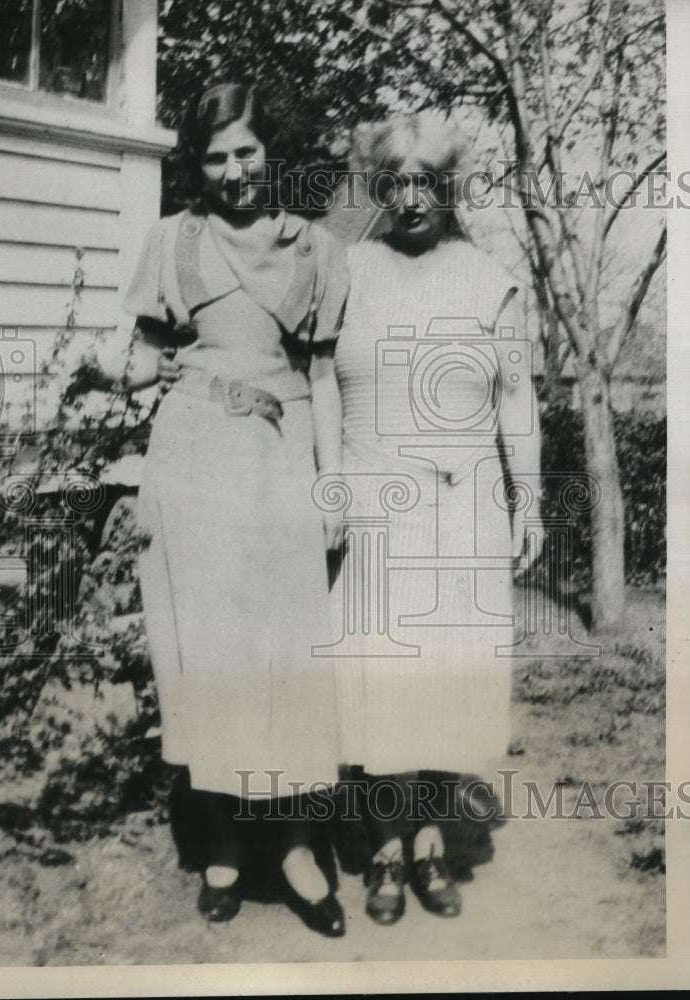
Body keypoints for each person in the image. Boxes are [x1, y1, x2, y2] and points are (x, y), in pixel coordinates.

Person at [95, 82, 349, 937]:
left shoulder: (316, 246)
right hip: (195, 461)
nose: (234, 170)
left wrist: (333, 483)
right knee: (208, 652)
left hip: (280, 464)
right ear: (195, 163)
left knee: (285, 658)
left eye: (246, 151)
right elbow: (139, 358)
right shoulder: (171, 241)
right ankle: (225, 848)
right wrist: (126, 368)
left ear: (270, 150)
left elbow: (320, 376)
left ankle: (296, 850)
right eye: (215, 155)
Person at [331, 111, 544, 925]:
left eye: (428, 182)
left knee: (447, 682)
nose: (413, 197)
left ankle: (429, 844)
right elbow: (317, 380)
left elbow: (517, 398)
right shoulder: (347, 268)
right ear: (380, 188)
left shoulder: (489, 279)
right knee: (386, 683)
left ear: (448, 189)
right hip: (374, 500)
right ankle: (386, 845)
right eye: (397, 183)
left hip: (466, 505)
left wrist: (528, 499)